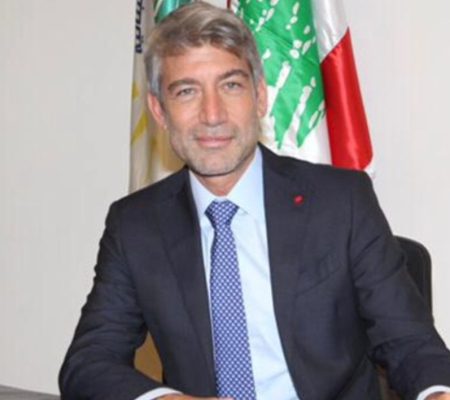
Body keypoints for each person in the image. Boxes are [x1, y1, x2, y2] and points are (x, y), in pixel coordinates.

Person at [59, 2, 450, 400]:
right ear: (159, 111)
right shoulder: (135, 225)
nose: (212, 114)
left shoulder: (341, 202)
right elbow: (88, 363)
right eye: (187, 91)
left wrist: (438, 393)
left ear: (260, 97)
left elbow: (410, 342)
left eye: (231, 86)